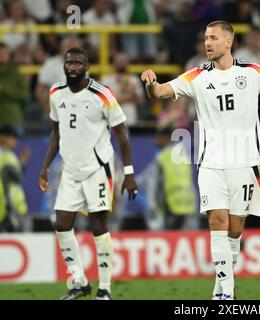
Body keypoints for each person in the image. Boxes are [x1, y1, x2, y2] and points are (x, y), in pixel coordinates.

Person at [141, 20, 260, 300]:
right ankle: (226, 294)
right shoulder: (196, 76)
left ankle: (221, 285)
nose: (207, 43)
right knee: (217, 221)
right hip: (211, 164)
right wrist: (150, 84)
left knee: (235, 229)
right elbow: (159, 93)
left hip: (245, 164)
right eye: (206, 38)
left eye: (213, 38)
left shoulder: (253, 72)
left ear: (228, 42)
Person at [38, 47, 138, 300]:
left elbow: (122, 133)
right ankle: (79, 282)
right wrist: (45, 166)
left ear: (87, 67)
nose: (72, 67)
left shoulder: (101, 94)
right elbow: (55, 132)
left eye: (78, 63)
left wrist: (128, 172)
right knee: (62, 225)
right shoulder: (55, 92)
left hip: (97, 169)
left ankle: (104, 289)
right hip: (70, 170)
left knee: (98, 226)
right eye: (69, 62)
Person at [144, 126, 197, 230]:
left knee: (172, 240)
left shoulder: (162, 157)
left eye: (158, 137)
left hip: (171, 206)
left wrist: (152, 206)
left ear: (166, 138)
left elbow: (153, 185)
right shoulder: (184, 155)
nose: (155, 140)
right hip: (188, 204)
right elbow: (191, 182)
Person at [102, 52, 145, 126]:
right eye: (119, 61)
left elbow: (141, 101)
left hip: (130, 119)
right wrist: (126, 98)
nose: (121, 64)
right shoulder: (106, 79)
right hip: (111, 118)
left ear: (128, 63)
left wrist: (132, 90)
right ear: (114, 63)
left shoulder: (134, 79)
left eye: (123, 61)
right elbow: (103, 102)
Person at [0, 125, 30, 232]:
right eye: (14, 138)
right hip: (10, 207)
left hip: (7, 207)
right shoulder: (7, 156)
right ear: (5, 138)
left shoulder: (7, 155)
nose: (16, 141)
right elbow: (17, 176)